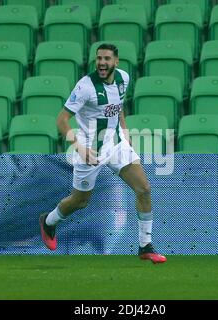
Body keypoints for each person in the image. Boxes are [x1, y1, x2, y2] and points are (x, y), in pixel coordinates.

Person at [38, 43, 166, 264]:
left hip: (116, 145)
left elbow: (118, 107)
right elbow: (61, 121)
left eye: (107, 59)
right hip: (89, 149)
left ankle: (145, 246)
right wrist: (79, 147)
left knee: (144, 189)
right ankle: (48, 221)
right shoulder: (85, 86)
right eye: (98, 58)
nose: (102, 63)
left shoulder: (123, 78)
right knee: (80, 201)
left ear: (116, 61)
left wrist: (125, 134)